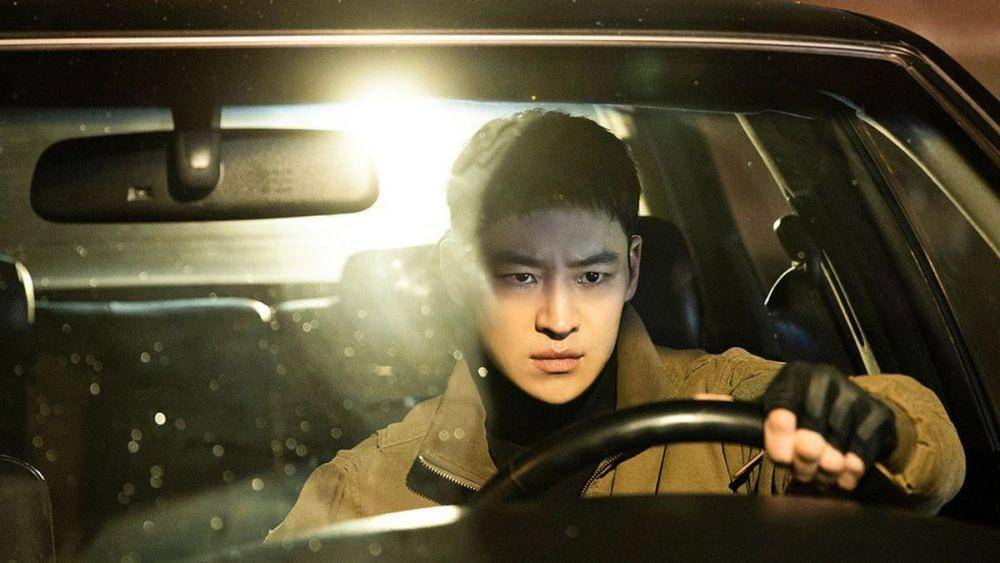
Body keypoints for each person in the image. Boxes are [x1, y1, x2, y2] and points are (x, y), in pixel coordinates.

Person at [266, 110, 964, 540]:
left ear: (632, 270)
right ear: (456, 273)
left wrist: (876, 427)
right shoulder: (366, 489)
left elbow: (929, 459)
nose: (558, 320)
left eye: (591, 277)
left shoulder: (736, 416)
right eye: (520, 277)